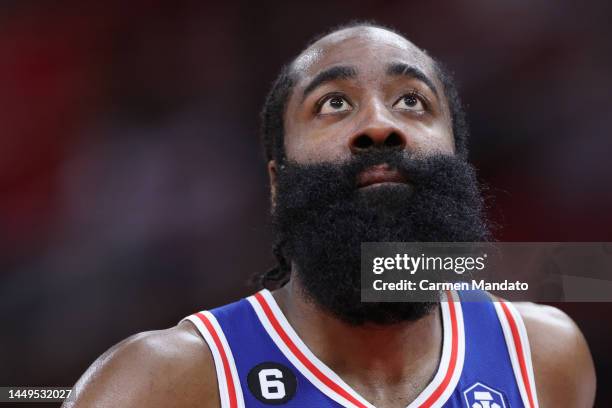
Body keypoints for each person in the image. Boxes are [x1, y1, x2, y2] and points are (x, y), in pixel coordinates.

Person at [64, 23, 596, 408]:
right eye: (333, 104)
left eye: (412, 101)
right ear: (278, 182)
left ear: (455, 160)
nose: (380, 126)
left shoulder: (544, 355)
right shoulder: (167, 380)